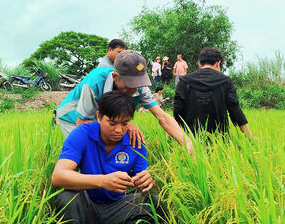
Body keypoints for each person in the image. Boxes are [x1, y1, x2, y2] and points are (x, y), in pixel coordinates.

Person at [51, 90, 160, 224]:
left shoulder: (135, 141)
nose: (119, 130)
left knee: (155, 203)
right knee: (66, 196)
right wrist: (102, 181)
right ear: (99, 117)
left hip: (116, 210)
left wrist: (147, 180)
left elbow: (144, 179)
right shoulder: (82, 135)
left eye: (125, 123)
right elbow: (58, 176)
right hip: (86, 208)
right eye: (112, 123)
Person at [56, 50, 193, 154]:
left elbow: (162, 116)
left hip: (103, 119)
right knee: (86, 152)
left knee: (117, 147)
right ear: (115, 77)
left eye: (138, 83)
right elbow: (82, 123)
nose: (134, 90)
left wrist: (185, 141)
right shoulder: (95, 82)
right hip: (72, 117)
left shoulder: (139, 87)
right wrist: (126, 126)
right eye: (130, 84)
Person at [173, 47, 253, 137]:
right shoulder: (226, 81)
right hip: (220, 141)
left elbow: (177, 112)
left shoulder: (184, 81)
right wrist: (250, 137)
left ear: (200, 64)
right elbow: (235, 111)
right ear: (218, 63)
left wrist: (183, 137)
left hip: (191, 141)